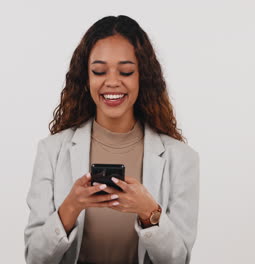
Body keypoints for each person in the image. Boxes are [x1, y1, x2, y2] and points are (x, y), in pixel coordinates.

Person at [24, 15, 200, 264]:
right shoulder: (51, 151)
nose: (113, 82)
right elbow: (35, 257)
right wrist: (71, 207)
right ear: (86, 77)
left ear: (143, 77)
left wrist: (148, 211)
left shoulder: (181, 158)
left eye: (126, 71)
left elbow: (178, 259)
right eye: (99, 71)